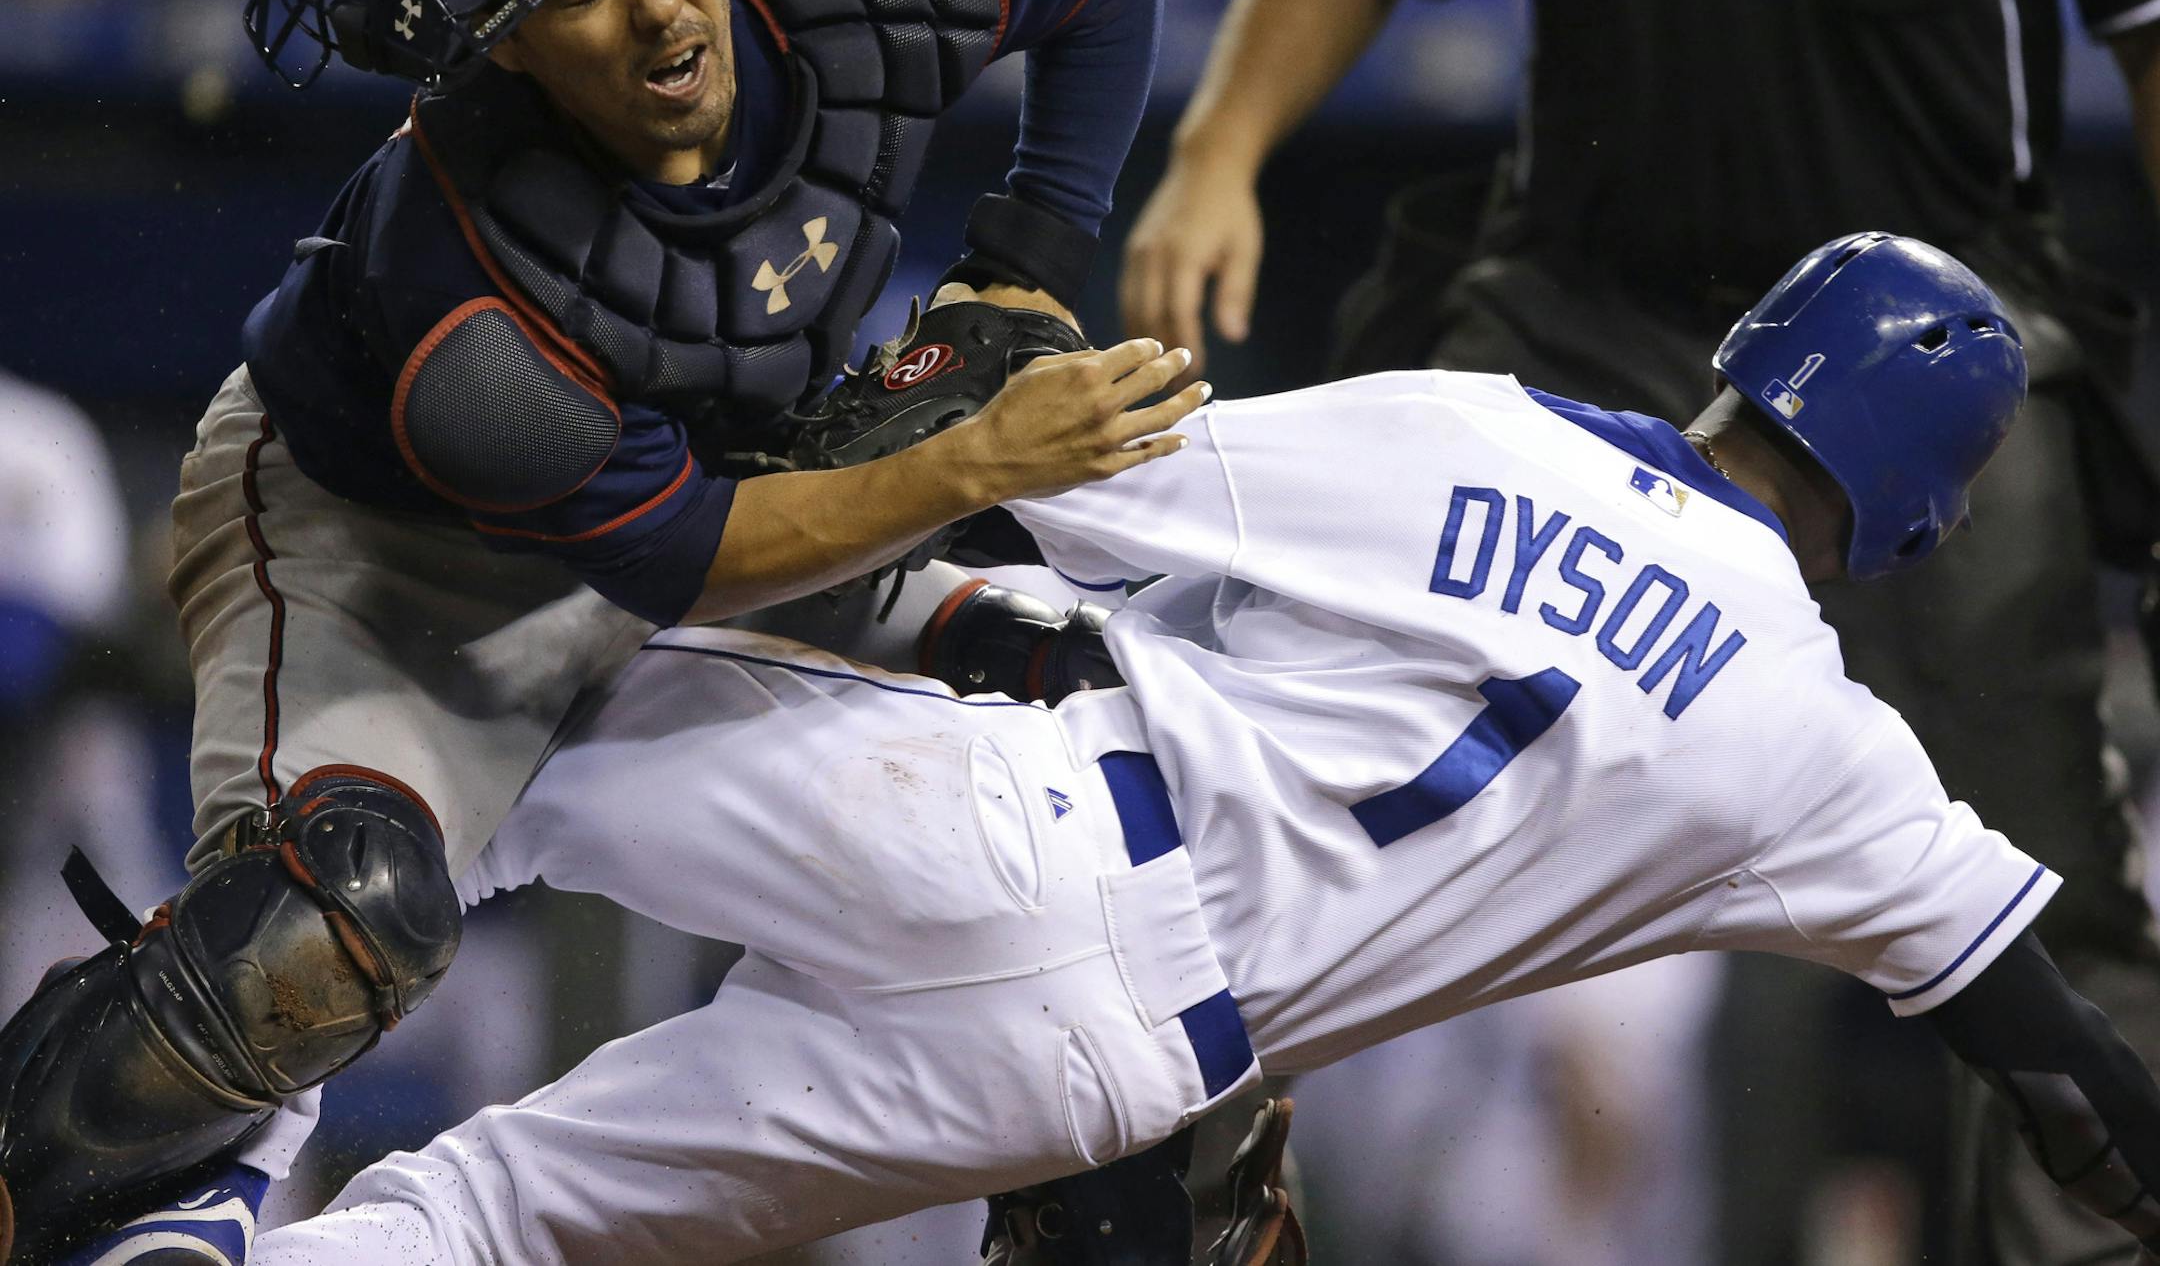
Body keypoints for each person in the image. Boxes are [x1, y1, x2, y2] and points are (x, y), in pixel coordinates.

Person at [232, 236, 2160, 1266]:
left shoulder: (1487, 428)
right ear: (1918, 521)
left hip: (1015, 826)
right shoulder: (1842, 758)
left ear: (1745, 358)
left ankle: (184, 1159)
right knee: (503, 1213)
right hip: (1102, 1077)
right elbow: (2073, 1081)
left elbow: (1044, 472)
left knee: (438, 723)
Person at [0, 0, 1187, 1263]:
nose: (659, 4)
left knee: (1081, 699)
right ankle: (53, 1199)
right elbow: (686, 561)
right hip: (379, 547)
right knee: (333, 917)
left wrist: (1027, 257)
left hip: (732, 464)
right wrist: (971, 464)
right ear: (500, 42)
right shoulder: (461, 274)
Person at [1117, 0, 2160, 1257]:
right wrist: (1218, 145)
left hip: (1940, 365)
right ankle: (1169, 1217)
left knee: (2040, 892)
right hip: (1591, 320)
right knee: (1256, 747)